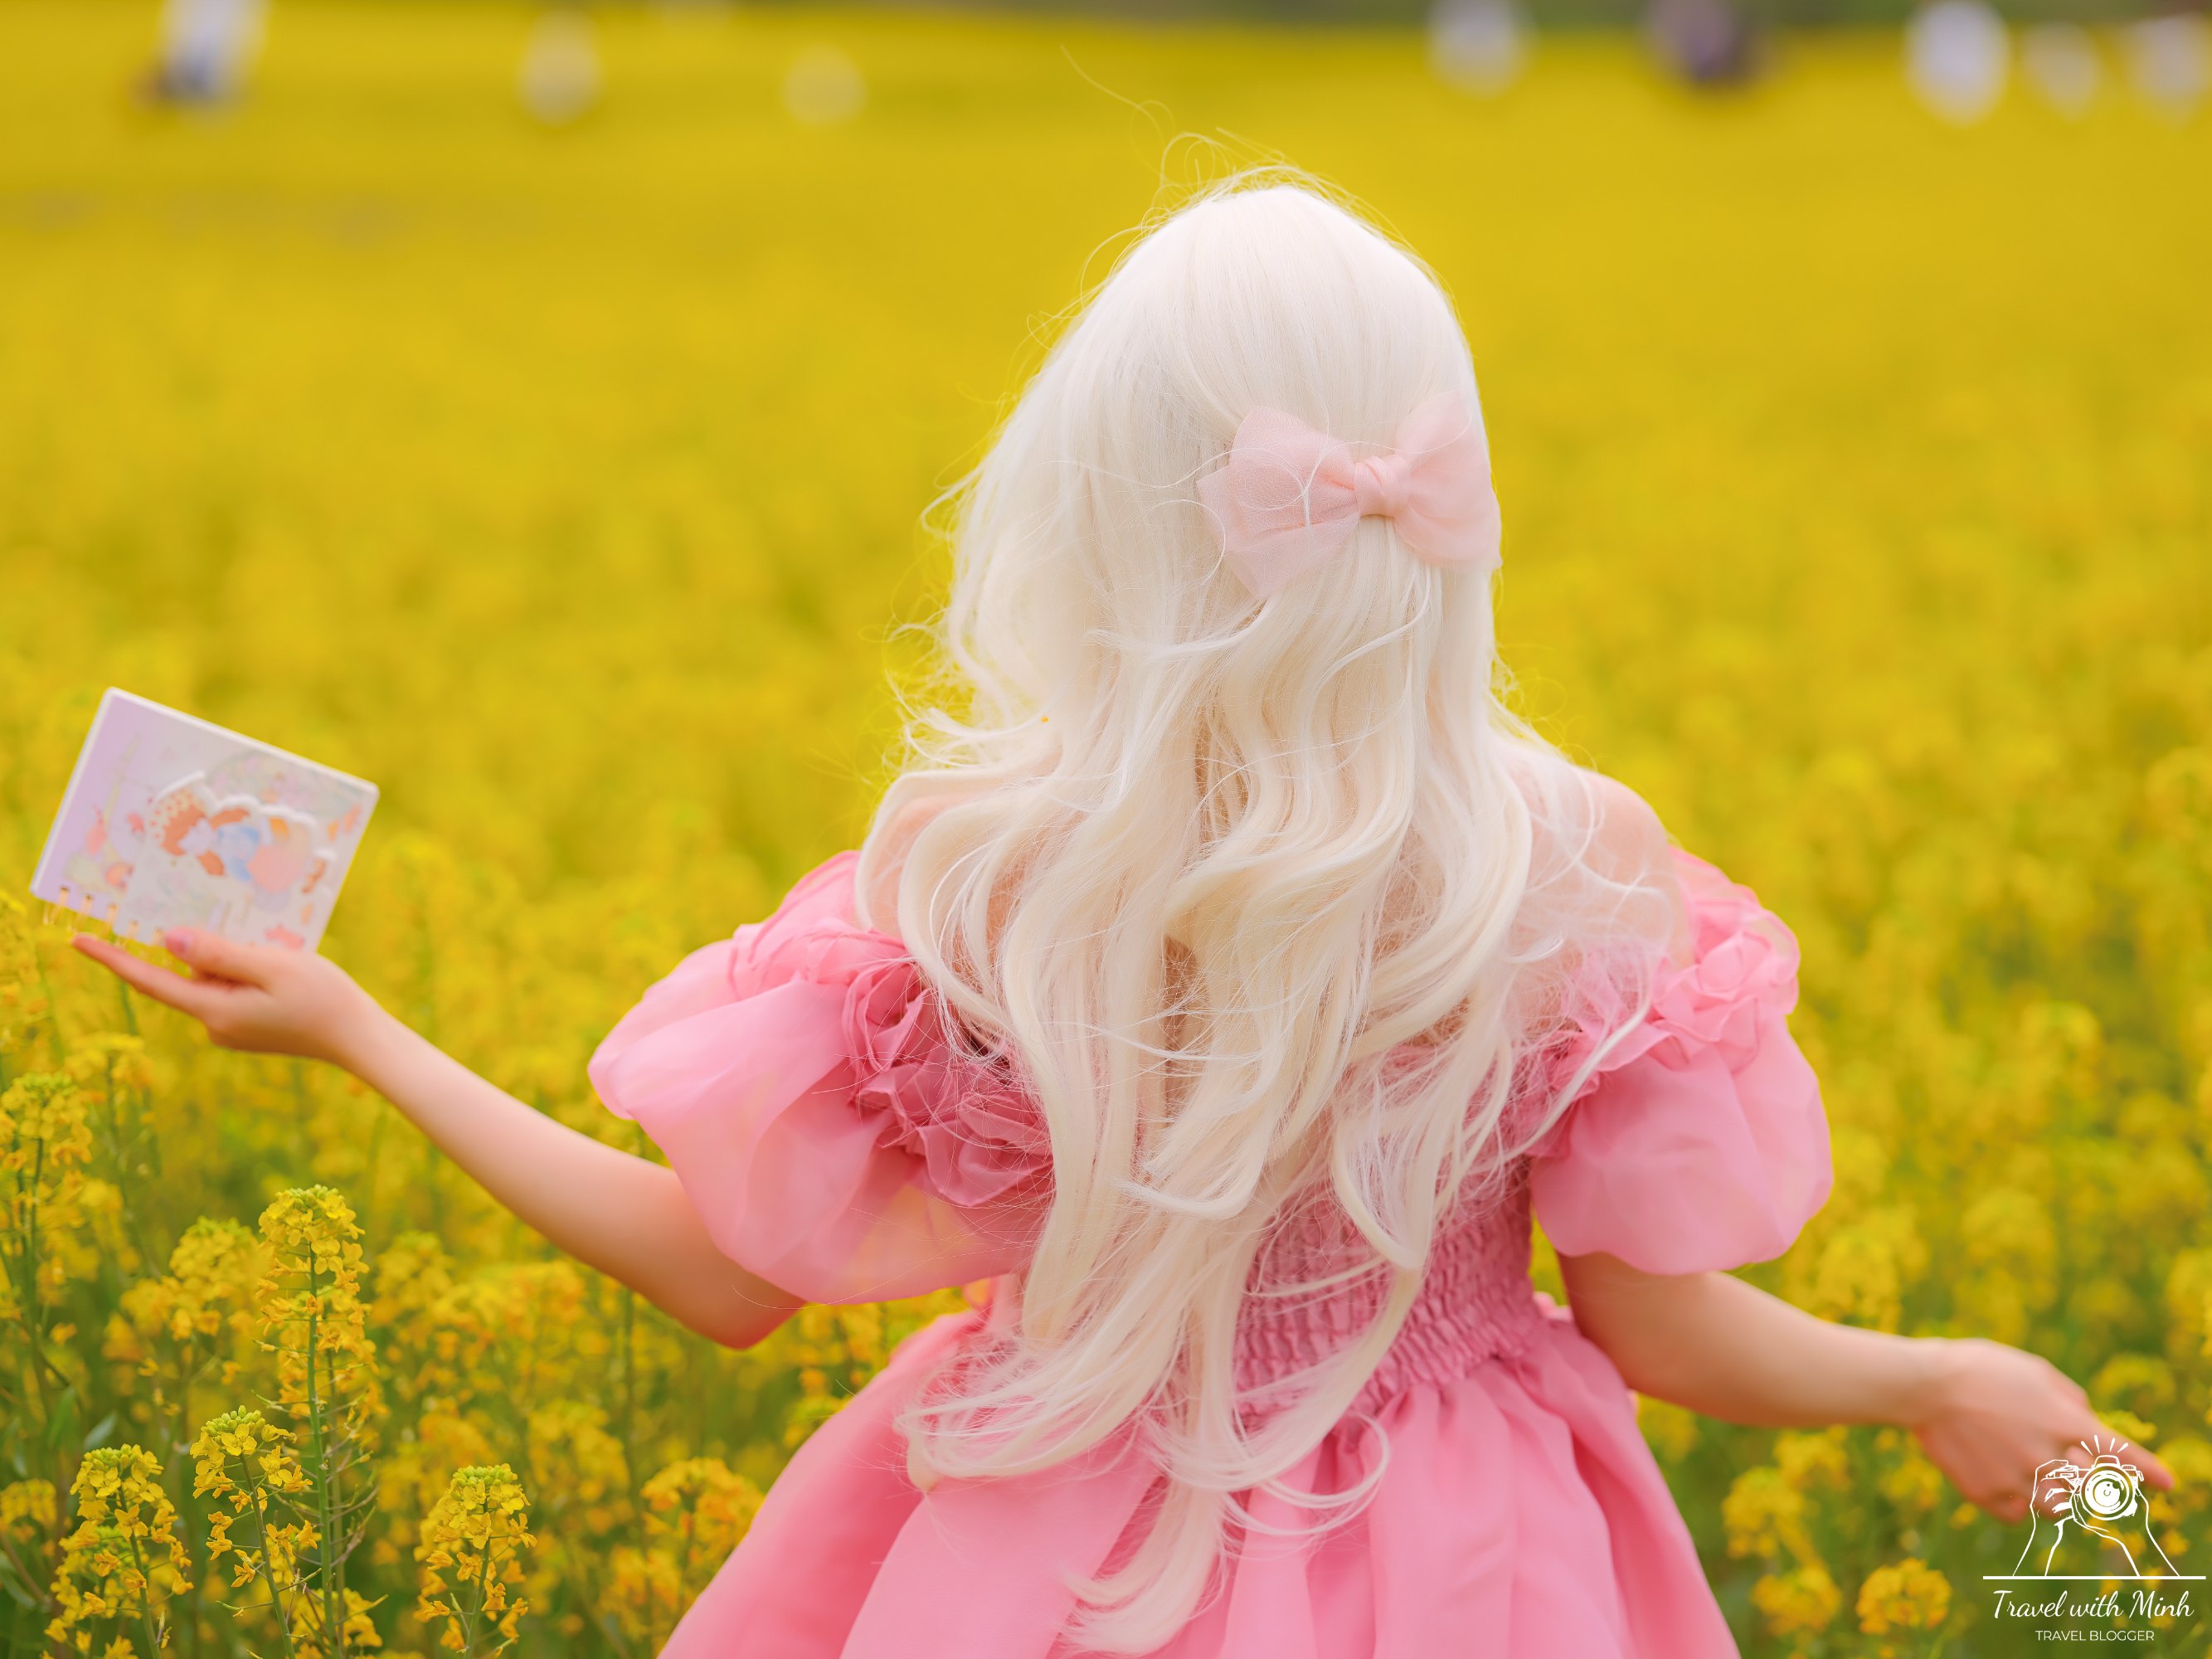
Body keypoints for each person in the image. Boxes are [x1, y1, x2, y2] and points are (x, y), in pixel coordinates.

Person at [74, 179, 2169, 1659]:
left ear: (1104, 512)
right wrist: (1937, 1379)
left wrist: (360, 1029)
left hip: (1057, 1550)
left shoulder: (1002, 874)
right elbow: (1666, 1334)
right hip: (1482, 1565)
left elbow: (720, 1281)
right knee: (2125, 1571)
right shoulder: (1560, 865)